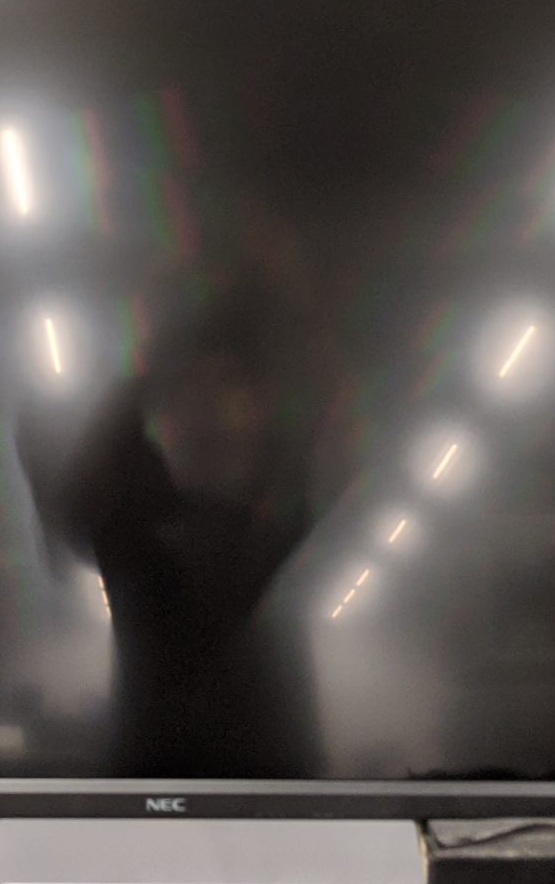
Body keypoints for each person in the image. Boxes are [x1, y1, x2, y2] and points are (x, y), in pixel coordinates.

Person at [21, 246, 338, 777]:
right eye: (191, 387)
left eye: (228, 384)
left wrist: (269, 290)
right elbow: (78, 464)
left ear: (262, 407)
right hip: (150, 800)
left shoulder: (285, 524)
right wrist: (161, 349)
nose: (210, 405)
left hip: (283, 806)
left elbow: (322, 418)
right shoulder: (133, 534)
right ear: (164, 409)